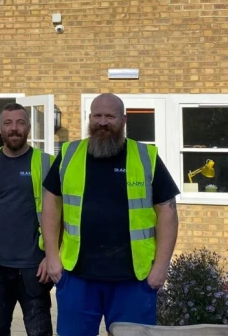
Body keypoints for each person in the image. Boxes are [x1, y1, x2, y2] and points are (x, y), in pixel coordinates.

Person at [41, 93, 179, 335]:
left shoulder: (146, 157)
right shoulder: (69, 154)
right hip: (76, 276)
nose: (102, 122)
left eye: (110, 116)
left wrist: (161, 267)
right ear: (90, 118)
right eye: (97, 115)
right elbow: (51, 205)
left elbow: (168, 213)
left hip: (134, 279)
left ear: (124, 120)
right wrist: (52, 257)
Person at [0, 103, 55, 336]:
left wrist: (51, 255)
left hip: (35, 267)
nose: (14, 128)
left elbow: (59, 215)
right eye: (8, 123)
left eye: (20, 123)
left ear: (29, 127)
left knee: (40, 332)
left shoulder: (47, 163)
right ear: (0, 128)